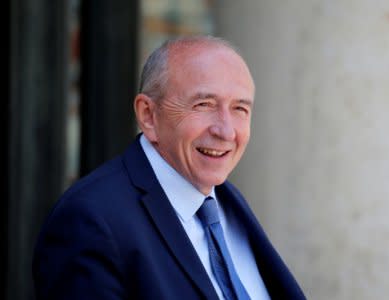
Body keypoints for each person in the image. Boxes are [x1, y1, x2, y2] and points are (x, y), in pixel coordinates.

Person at [32, 35, 307, 300]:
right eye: (204, 105)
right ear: (148, 116)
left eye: (240, 109)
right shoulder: (90, 221)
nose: (226, 131)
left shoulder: (226, 201)